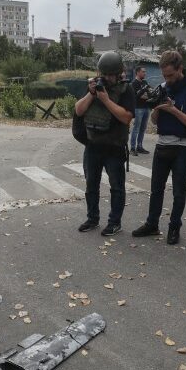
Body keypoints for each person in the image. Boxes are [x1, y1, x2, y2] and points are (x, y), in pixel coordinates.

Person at [131, 50, 186, 245]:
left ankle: (174, 227)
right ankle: (152, 224)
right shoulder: (163, 86)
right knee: (156, 189)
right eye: (165, 76)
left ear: (180, 69)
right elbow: (155, 122)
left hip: (182, 148)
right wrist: (157, 108)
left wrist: (173, 110)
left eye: (171, 75)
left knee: (179, 192)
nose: (167, 80)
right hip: (162, 145)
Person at [74, 51, 136, 236]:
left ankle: (114, 222)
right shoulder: (95, 86)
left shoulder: (127, 90)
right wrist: (92, 94)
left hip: (114, 147)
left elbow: (126, 117)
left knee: (116, 187)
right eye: (105, 74)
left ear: (119, 73)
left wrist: (106, 100)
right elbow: (78, 110)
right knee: (91, 185)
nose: (108, 78)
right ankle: (92, 219)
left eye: (112, 75)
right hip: (93, 146)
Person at [129, 66, 152, 156]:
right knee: (136, 128)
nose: (145, 73)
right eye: (143, 71)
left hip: (146, 108)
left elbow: (150, 94)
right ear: (137, 72)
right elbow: (137, 96)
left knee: (143, 129)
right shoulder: (133, 84)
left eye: (145, 71)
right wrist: (144, 95)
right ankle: (132, 148)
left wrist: (145, 95)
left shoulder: (145, 82)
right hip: (138, 108)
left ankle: (139, 146)